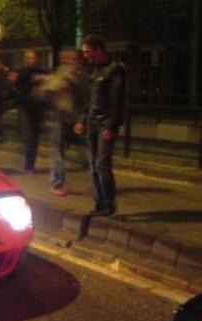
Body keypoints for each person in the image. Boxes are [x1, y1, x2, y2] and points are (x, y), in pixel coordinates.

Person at [75, 34, 126, 216]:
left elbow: (117, 101)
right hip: (92, 123)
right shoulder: (93, 71)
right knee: (93, 165)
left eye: (88, 52)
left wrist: (111, 127)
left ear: (98, 49)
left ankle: (108, 203)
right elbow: (88, 100)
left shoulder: (114, 70)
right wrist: (82, 120)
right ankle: (99, 202)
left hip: (104, 123)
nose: (86, 56)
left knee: (102, 164)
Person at [40, 48, 87, 196]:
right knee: (58, 153)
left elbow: (84, 100)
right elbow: (45, 94)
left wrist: (81, 120)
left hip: (74, 120)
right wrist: (52, 92)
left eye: (75, 60)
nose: (74, 63)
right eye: (71, 60)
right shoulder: (58, 77)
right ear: (65, 61)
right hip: (59, 119)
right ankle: (56, 184)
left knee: (87, 150)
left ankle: (99, 184)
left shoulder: (80, 77)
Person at [14, 49, 47, 173]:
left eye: (33, 58)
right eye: (29, 58)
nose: (31, 60)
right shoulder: (22, 73)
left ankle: (30, 164)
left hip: (38, 108)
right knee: (28, 136)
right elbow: (18, 88)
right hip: (25, 107)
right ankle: (27, 164)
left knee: (35, 138)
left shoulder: (43, 72)